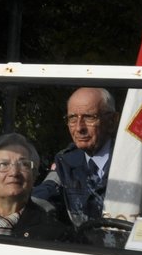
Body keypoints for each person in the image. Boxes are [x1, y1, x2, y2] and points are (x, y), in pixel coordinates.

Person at [32, 87, 115, 227]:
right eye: (72, 118)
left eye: (89, 117)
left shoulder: (131, 161)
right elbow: (42, 195)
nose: (78, 128)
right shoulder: (66, 162)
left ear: (112, 120)